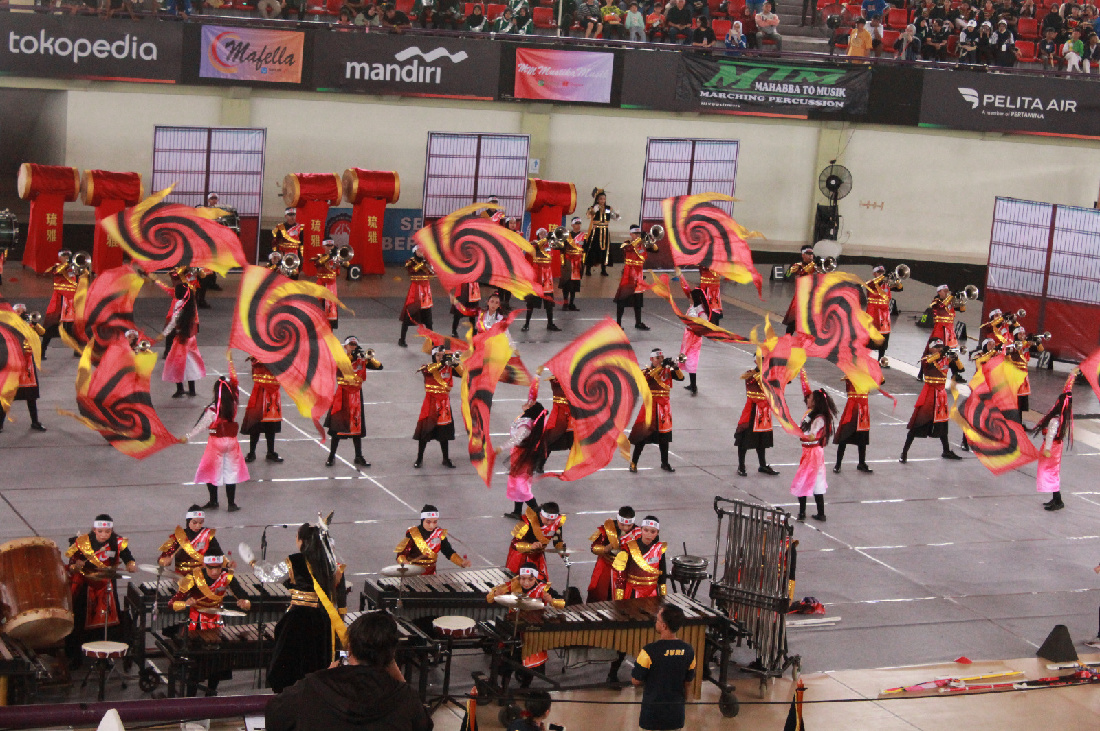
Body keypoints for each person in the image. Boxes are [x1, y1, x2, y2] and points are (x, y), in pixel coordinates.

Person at [265, 611, 433, 731]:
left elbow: (274, 718)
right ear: (391, 655)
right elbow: (425, 726)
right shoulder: (405, 698)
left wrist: (321, 676)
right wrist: (399, 679)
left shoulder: (311, 687)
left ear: (349, 648)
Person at [265, 523, 348, 694]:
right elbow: (340, 593)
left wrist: (252, 562)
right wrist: (341, 615)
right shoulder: (331, 562)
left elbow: (269, 576)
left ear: (301, 541)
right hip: (322, 619)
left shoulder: (294, 561)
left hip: (298, 620)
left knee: (290, 666)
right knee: (317, 663)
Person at [170, 553, 252, 696]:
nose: (214, 572)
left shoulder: (226, 577)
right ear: (204, 566)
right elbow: (172, 603)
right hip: (194, 625)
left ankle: (211, 692)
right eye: (210, 568)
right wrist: (185, 603)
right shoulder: (193, 578)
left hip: (214, 625)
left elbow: (244, 596)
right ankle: (191, 697)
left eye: (218, 568)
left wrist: (245, 603)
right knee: (197, 663)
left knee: (217, 661)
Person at [64, 514, 138, 667]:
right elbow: (71, 564)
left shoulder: (117, 542)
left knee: (111, 618)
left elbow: (128, 557)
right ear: (94, 530)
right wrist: (75, 565)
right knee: (81, 617)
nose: (104, 535)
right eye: (100, 532)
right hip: (87, 584)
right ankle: (77, 657)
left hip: (107, 584)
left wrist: (131, 564)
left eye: (107, 532)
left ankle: (109, 651)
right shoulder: (83, 543)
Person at [487, 561, 564, 688]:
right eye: (522, 579)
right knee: (507, 658)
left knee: (530, 664)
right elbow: (489, 598)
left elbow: (563, 603)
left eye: (530, 579)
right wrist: (495, 594)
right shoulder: (513, 584)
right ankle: (503, 688)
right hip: (514, 629)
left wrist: (552, 600)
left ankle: (525, 687)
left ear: (535, 578)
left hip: (532, 631)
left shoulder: (543, 588)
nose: (526, 582)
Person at [186, 364, 247, 512]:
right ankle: (231, 503)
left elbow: (201, 425)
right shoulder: (233, 404)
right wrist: (231, 364)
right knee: (230, 471)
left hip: (216, 442)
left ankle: (214, 501)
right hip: (232, 442)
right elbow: (236, 384)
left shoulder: (213, 409)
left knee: (210, 470)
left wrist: (187, 437)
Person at [631, 604, 696, 731]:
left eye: (658, 620)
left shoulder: (648, 651)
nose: (656, 622)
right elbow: (688, 683)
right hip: (675, 714)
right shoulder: (689, 651)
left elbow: (636, 680)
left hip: (652, 715)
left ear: (664, 626)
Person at [900, 340, 964, 463]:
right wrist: (942, 353)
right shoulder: (926, 359)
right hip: (929, 395)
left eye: (940, 347)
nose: (939, 349)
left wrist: (955, 358)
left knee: (943, 424)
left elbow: (961, 369)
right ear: (931, 349)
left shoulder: (946, 359)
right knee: (917, 424)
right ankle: (904, 452)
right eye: (937, 347)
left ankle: (946, 450)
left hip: (941, 396)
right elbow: (928, 364)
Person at [325, 337, 383, 467]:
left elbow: (379, 367)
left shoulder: (360, 360)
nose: (353, 346)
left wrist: (368, 358)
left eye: (355, 345)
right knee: (338, 427)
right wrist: (354, 357)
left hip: (356, 395)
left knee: (357, 426)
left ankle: (358, 456)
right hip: (343, 395)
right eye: (351, 344)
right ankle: (331, 456)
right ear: (345, 346)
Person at [629, 349, 685, 473]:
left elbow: (681, 378)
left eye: (662, 358)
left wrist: (675, 366)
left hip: (664, 409)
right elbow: (648, 378)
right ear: (652, 359)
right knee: (642, 437)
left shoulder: (667, 370)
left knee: (664, 438)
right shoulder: (646, 371)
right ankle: (633, 463)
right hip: (650, 407)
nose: (660, 360)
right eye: (657, 358)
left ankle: (665, 463)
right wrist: (662, 366)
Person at [500, 388, 549, 519]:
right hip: (520, 453)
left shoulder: (526, 424)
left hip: (522, 455)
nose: (527, 403)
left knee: (521, 485)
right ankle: (517, 511)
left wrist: (501, 447)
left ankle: (538, 511)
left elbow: (517, 439)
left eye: (530, 404)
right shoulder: (527, 418)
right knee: (518, 483)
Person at [0, 304, 46, 433]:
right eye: (18, 311)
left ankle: (35, 422)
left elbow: (42, 332)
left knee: (31, 396)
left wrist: (34, 323)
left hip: (28, 366)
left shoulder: (29, 324)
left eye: (22, 311)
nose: (20, 313)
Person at [793, 387, 837, 522]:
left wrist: (799, 433)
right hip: (812, 452)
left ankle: (802, 512)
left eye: (810, 398)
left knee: (803, 480)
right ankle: (820, 513)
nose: (807, 399)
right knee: (817, 480)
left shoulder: (819, 419)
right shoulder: (812, 414)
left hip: (812, 453)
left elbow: (812, 436)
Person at [413, 346, 462, 468]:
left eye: (442, 355)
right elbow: (430, 370)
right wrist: (442, 363)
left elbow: (463, 374)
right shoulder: (427, 367)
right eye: (438, 355)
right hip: (431, 404)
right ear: (433, 357)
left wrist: (455, 364)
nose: (440, 357)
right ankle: (419, 458)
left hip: (444, 404)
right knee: (425, 432)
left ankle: (446, 459)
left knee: (444, 433)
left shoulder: (448, 367)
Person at [1032, 377, 1074, 512]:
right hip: (1057, 446)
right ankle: (1055, 498)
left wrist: (1047, 449)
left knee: (1050, 472)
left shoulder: (1054, 420)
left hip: (1052, 447)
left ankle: (1058, 499)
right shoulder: (1061, 418)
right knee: (1052, 472)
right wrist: (1071, 378)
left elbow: (1050, 436)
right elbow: (1067, 390)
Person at [395, 505, 472, 573]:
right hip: (413, 572)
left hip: (431, 574)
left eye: (435, 522)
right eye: (428, 522)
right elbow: (401, 554)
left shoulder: (439, 534)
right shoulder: (413, 534)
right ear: (422, 521)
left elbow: (448, 552)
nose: (432, 525)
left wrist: (461, 562)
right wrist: (404, 562)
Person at [587, 506, 640, 602]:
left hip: (627, 570)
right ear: (618, 519)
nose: (626, 528)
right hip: (607, 568)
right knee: (602, 596)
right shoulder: (608, 528)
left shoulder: (638, 532)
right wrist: (606, 548)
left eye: (629, 525)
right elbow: (593, 548)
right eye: (622, 525)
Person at [734, 366, 780, 477]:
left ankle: (763, 465)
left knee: (762, 440)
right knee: (744, 440)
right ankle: (741, 466)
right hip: (753, 411)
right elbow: (753, 393)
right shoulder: (751, 375)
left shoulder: (770, 375)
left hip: (764, 413)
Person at [162, 283, 205, 399]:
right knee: (190, 362)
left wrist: (163, 334)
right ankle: (192, 390)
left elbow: (174, 321)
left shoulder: (179, 304)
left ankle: (180, 389)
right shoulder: (191, 304)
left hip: (181, 339)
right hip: (191, 338)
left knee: (177, 363)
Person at [158, 506, 226, 575]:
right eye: (194, 523)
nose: (198, 526)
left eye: (201, 523)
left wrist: (227, 564)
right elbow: (161, 558)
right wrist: (164, 561)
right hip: (182, 578)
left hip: (202, 577)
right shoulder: (178, 536)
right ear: (188, 522)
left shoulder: (207, 535)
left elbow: (219, 555)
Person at [615, 226, 659, 331]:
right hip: (628, 276)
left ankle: (638, 323)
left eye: (639, 234)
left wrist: (651, 241)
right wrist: (639, 240)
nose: (637, 236)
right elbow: (627, 248)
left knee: (638, 302)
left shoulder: (643, 245)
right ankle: (618, 324)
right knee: (622, 301)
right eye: (635, 234)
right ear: (631, 234)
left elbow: (656, 250)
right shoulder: (627, 243)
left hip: (638, 277)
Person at [40, 250, 83, 358]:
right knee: (51, 327)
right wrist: (67, 265)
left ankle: (77, 350)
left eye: (68, 255)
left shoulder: (74, 268)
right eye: (64, 256)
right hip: (60, 301)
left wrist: (78, 271)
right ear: (60, 257)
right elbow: (54, 273)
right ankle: (42, 350)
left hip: (71, 302)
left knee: (74, 328)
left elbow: (80, 279)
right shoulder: (57, 267)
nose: (67, 257)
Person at [241, 356, 284, 465]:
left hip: (271, 396)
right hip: (261, 395)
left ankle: (270, 451)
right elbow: (257, 372)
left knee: (271, 426)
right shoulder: (259, 361)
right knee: (256, 424)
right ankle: (252, 452)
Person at [506, 502, 566, 577]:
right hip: (521, 556)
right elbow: (514, 543)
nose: (550, 523)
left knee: (540, 582)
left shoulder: (557, 522)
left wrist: (562, 551)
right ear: (541, 514)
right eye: (547, 520)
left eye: (552, 520)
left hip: (538, 555)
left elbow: (557, 539)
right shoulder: (528, 521)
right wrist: (530, 546)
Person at [534, 374, 575, 473]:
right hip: (560, 416)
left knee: (574, 443)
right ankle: (538, 463)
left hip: (570, 416)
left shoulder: (573, 382)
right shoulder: (556, 382)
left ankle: (539, 463)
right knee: (549, 441)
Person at [676, 277, 710, 395]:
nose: (689, 298)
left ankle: (693, 385)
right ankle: (691, 383)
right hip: (688, 335)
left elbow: (704, 322)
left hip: (694, 337)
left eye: (690, 296)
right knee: (685, 357)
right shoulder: (693, 307)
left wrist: (695, 329)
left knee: (691, 360)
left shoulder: (700, 309)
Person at [522, 231, 561, 332]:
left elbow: (560, 244)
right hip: (538, 275)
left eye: (545, 233)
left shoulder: (550, 245)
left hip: (547, 276)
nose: (543, 235)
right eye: (541, 233)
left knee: (549, 301)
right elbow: (536, 244)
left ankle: (550, 323)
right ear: (538, 235)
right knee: (531, 301)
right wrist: (547, 238)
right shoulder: (535, 244)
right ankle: (526, 323)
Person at [833, 377, 873, 474]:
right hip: (852, 410)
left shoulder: (868, 377)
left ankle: (861, 463)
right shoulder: (851, 376)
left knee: (862, 438)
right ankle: (838, 464)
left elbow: (881, 381)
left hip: (863, 410)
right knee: (844, 436)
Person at [864, 265, 903, 364]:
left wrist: (896, 280)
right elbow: (876, 283)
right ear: (874, 273)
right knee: (869, 336)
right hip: (872, 313)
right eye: (879, 272)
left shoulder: (887, 285)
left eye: (882, 272)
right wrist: (884, 276)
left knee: (884, 336)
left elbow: (900, 288)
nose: (881, 274)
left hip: (884, 314)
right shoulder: (870, 283)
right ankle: (864, 357)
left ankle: (881, 358)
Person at [398, 246, 435, 348]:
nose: (421, 252)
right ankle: (402, 339)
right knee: (409, 315)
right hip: (415, 291)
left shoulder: (427, 261)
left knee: (428, 319)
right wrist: (422, 263)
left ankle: (431, 341)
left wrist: (429, 263)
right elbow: (411, 270)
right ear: (415, 251)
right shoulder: (411, 261)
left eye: (423, 250)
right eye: (419, 250)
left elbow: (433, 272)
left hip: (426, 291)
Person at [313, 240, 347, 330]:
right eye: (327, 245)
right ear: (323, 246)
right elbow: (318, 263)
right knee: (319, 304)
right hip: (321, 284)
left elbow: (345, 266)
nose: (329, 247)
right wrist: (329, 256)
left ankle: (330, 329)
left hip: (331, 285)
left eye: (331, 246)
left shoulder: (336, 258)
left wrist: (339, 264)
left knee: (331, 306)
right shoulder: (319, 256)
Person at [782, 247, 816, 335]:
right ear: (803, 255)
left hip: (812, 295)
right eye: (808, 254)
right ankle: (788, 337)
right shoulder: (798, 265)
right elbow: (788, 275)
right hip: (801, 295)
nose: (811, 256)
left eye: (812, 254)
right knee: (794, 318)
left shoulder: (816, 265)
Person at [584, 188, 617, 277]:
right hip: (596, 231)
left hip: (605, 231)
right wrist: (594, 210)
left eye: (604, 199)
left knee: (605, 250)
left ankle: (603, 269)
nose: (602, 201)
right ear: (597, 199)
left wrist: (615, 215)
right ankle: (588, 268)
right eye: (601, 199)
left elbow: (613, 216)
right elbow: (588, 215)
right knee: (593, 249)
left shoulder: (608, 208)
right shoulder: (593, 207)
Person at [559, 217, 585, 311]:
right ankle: (565, 302)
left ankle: (571, 303)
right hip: (568, 261)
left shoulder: (583, 236)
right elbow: (561, 249)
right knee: (566, 282)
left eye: (579, 224)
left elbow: (585, 249)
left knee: (574, 283)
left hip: (578, 262)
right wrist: (563, 262)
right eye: (576, 223)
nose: (578, 225)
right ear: (572, 225)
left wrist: (583, 262)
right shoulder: (567, 236)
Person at [927, 284, 963, 350]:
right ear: (939, 292)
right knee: (938, 348)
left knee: (951, 350)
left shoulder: (950, 303)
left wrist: (960, 299)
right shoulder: (935, 302)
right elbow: (942, 306)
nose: (947, 293)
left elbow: (962, 309)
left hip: (950, 329)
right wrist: (951, 296)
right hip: (940, 329)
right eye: (944, 291)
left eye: (947, 291)